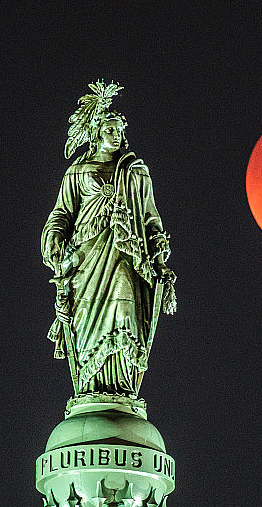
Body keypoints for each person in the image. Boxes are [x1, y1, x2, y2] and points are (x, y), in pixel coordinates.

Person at [41, 83, 175, 398]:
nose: (116, 136)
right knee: (86, 318)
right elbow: (62, 213)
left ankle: (123, 387)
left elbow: (150, 216)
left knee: (125, 305)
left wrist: (157, 242)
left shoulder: (135, 173)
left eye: (119, 131)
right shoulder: (77, 172)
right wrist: (53, 238)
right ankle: (89, 388)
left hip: (125, 253)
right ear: (96, 133)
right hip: (86, 256)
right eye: (110, 130)